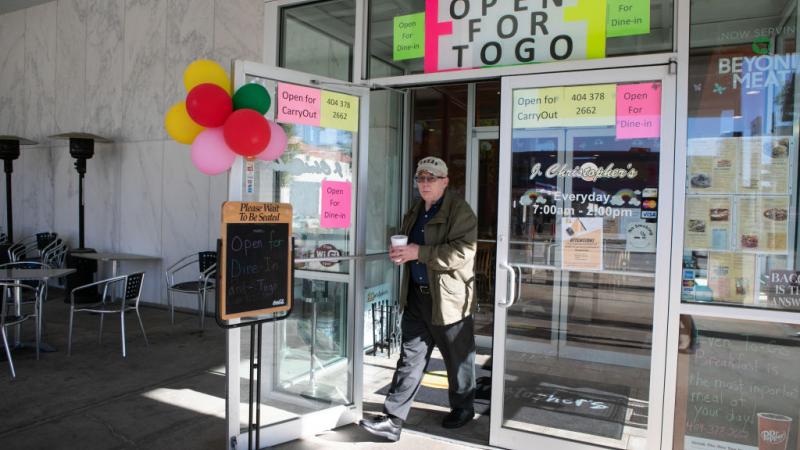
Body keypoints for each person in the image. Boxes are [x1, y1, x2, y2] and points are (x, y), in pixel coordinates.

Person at [360, 156, 478, 442]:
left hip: (448, 299)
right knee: (409, 359)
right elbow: (407, 243)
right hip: (415, 296)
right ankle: (393, 420)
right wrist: (400, 252)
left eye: (431, 178)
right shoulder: (415, 209)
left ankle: (463, 407)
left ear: (445, 181)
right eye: (421, 178)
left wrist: (418, 253)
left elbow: (463, 252)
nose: (424, 183)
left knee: (458, 359)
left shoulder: (459, 211)